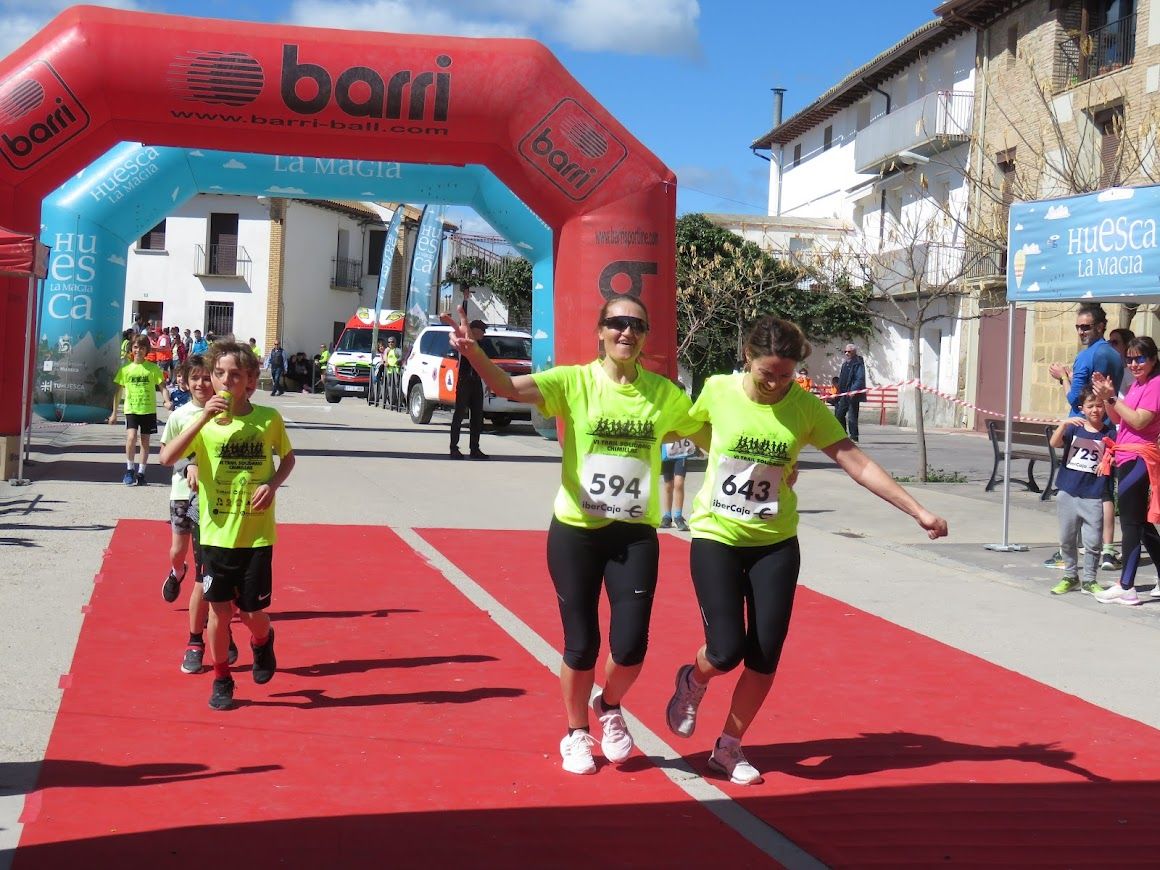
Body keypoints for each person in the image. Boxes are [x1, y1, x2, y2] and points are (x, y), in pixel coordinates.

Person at [664, 316, 947, 786]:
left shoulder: (805, 408)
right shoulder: (717, 389)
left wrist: (916, 510)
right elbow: (684, 428)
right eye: (766, 374)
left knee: (765, 654)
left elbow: (855, 462)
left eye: (785, 375)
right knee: (726, 649)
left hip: (775, 543)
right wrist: (719, 454)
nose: (775, 384)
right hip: (717, 535)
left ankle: (729, 747)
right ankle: (692, 680)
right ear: (747, 358)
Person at [446, 293, 702, 775]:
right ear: (600, 332)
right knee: (581, 644)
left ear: (646, 337)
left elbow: (711, 434)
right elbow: (507, 386)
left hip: (634, 536)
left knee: (630, 647)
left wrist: (769, 460)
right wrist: (475, 352)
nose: (627, 332)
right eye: (618, 323)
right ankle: (576, 732)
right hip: (576, 533)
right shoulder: (574, 381)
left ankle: (608, 707)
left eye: (637, 325)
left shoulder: (664, 394)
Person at [159, 340, 296, 709]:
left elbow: (288, 459)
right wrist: (203, 418)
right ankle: (222, 677)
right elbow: (166, 457)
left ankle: (263, 642)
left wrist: (272, 483)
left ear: (250, 380)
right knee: (218, 610)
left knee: (252, 613)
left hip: (256, 533)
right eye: (219, 374)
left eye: (234, 375)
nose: (224, 381)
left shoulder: (268, 419)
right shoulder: (201, 422)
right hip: (215, 531)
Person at [158, 354, 239, 674]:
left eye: (211, 377)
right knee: (200, 575)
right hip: (191, 499)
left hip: (234, 509)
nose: (203, 383)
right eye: (198, 378)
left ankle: (225, 631)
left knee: (227, 583)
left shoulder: (237, 414)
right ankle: (196, 640)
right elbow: (169, 455)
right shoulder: (182, 415)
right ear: (185, 381)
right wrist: (189, 463)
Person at [1045, 304, 1124, 572]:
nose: (1081, 332)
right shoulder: (1112, 353)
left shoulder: (1089, 356)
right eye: (1078, 327)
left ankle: (1070, 553)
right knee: (1102, 490)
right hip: (1106, 428)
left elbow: (1076, 399)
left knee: (1076, 487)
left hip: (1084, 430)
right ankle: (1108, 551)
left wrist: (1063, 377)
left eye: (1086, 326)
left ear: (1101, 326)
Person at [1090, 336, 1160, 606]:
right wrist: (1106, 398)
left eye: (1139, 358)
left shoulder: (1155, 384)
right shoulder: (1136, 385)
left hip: (1140, 457)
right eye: (1129, 359)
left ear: (1152, 359)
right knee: (1140, 522)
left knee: (1130, 523)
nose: (1133, 363)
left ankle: (1127, 587)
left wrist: (1111, 397)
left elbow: (1140, 421)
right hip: (1126, 454)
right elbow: (1119, 418)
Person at [1047, 389, 1113, 595]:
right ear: (1081, 409)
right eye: (1090, 406)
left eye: (1099, 406)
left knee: (1093, 541)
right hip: (1068, 491)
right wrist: (1064, 424)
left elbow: (1115, 455)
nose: (1095, 410)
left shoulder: (1109, 433)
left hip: (1093, 494)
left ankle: (1089, 579)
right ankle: (1070, 576)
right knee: (1067, 538)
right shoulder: (1074, 429)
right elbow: (1054, 443)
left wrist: (1108, 460)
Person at [108, 335, 170, 485]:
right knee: (131, 438)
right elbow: (117, 392)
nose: (138, 351)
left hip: (148, 410)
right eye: (135, 347)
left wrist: (167, 400)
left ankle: (141, 473)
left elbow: (163, 387)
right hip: (132, 409)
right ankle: (130, 469)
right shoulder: (125, 369)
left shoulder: (153, 368)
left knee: (145, 441)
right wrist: (114, 413)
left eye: (142, 348)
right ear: (131, 349)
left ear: (146, 350)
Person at [450, 319, 488, 460]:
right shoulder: (464, 341)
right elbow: (454, 335)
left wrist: (488, 382)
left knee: (477, 417)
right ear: (474, 331)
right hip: (464, 381)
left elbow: (485, 364)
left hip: (476, 382)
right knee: (459, 415)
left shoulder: (483, 345)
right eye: (482, 330)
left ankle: (475, 449)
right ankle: (454, 448)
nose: (484, 333)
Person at [834, 343, 866, 441]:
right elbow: (842, 379)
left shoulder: (858, 363)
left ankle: (854, 437)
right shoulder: (845, 364)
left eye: (849, 351)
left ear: (854, 352)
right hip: (843, 394)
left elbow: (859, 378)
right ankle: (843, 434)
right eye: (845, 351)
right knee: (839, 414)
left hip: (853, 394)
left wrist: (853, 391)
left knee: (852, 416)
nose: (847, 353)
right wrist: (837, 391)